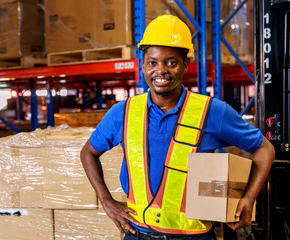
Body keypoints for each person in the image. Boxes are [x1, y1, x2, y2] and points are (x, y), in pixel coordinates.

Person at [80, 15, 275, 240]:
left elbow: (264, 149)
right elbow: (88, 153)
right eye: (152, 62)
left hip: (194, 236)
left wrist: (249, 198)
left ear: (185, 65)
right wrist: (106, 201)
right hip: (137, 234)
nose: (160, 70)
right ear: (143, 65)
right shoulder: (122, 113)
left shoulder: (212, 112)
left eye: (171, 62)